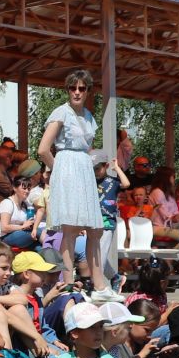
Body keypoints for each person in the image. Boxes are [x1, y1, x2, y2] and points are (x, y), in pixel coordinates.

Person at [35, 71, 103, 288]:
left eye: (82, 88)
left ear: (88, 91)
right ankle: (69, 281)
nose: (76, 92)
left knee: (95, 228)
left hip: (83, 169)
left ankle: (100, 284)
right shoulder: (61, 112)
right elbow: (43, 149)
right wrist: (60, 170)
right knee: (71, 228)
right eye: (72, 88)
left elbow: (88, 147)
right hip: (67, 166)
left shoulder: (89, 116)